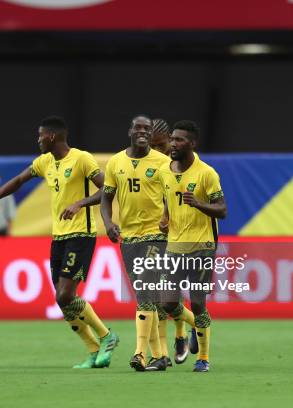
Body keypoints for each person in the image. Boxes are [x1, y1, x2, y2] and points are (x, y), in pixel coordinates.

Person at [0, 116, 119, 369]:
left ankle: (107, 336)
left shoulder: (82, 159)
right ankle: (93, 350)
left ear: (51, 136)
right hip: (59, 237)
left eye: (40, 135)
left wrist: (80, 203)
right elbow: (18, 180)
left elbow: (107, 190)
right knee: (63, 300)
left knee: (65, 293)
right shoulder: (44, 162)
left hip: (81, 235)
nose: (38, 139)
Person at [100, 115, 196, 372]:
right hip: (128, 238)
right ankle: (167, 350)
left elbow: (174, 196)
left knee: (146, 294)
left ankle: (140, 353)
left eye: (147, 128)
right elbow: (106, 198)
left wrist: (168, 218)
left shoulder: (164, 163)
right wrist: (108, 224)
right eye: (138, 127)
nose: (142, 131)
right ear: (130, 131)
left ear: (151, 134)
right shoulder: (115, 163)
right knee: (158, 301)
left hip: (157, 236)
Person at [158, 120, 227, 373]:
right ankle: (195, 327)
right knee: (166, 303)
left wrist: (198, 204)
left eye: (179, 140)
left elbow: (222, 210)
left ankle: (204, 358)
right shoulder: (166, 171)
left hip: (202, 246)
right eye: (172, 139)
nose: (173, 144)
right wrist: (165, 219)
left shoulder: (206, 173)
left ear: (192, 144)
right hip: (175, 245)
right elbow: (168, 200)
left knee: (198, 303)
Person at [150, 118, 195, 366]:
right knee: (161, 296)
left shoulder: (185, 164)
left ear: (170, 140)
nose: (157, 151)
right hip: (155, 233)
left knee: (166, 297)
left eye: (161, 145)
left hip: (182, 236)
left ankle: (187, 330)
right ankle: (167, 350)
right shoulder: (152, 165)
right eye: (152, 147)